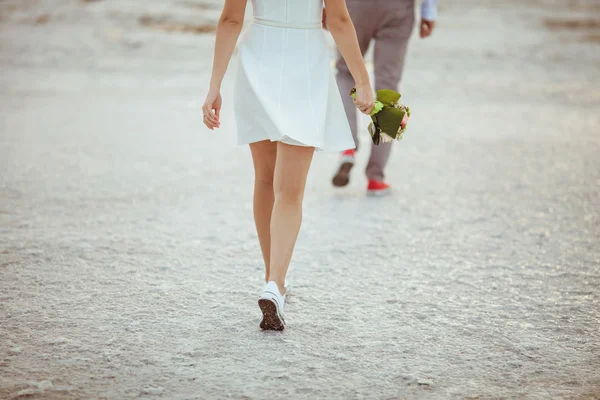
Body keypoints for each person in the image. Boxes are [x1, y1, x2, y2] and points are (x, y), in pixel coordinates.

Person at [202, 0, 375, 330]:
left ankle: (273, 281)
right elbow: (338, 20)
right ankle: (275, 284)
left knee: (265, 180)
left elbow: (229, 21)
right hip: (305, 64)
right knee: (290, 192)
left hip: (258, 60)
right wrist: (363, 80)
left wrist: (214, 85)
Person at [328, 0, 437, 195]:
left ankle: (347, 148)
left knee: (345, 72)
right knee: (389, 87)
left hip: (354, 6)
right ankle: (376, 176)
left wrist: (324, 7)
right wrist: (429, 10)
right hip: (397, 8)